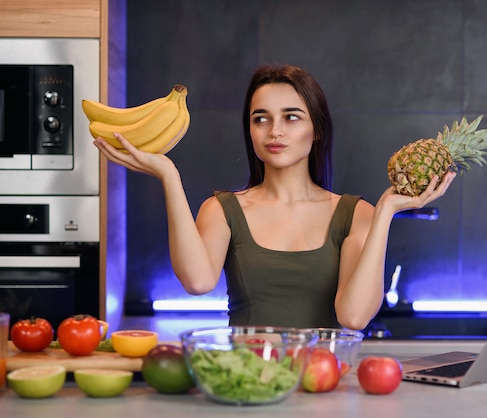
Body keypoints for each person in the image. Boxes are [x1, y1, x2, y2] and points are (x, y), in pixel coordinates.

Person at [94, 64, 456, 330]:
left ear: (317, 130)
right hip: (247, 383)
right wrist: (168, 176)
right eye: (261, 118)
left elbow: (353, 317)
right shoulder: (223, 210)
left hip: (325, 386)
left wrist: (386, 212)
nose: (275, 131)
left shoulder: (357, 214)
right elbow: (197, 282)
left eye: (292, 117)